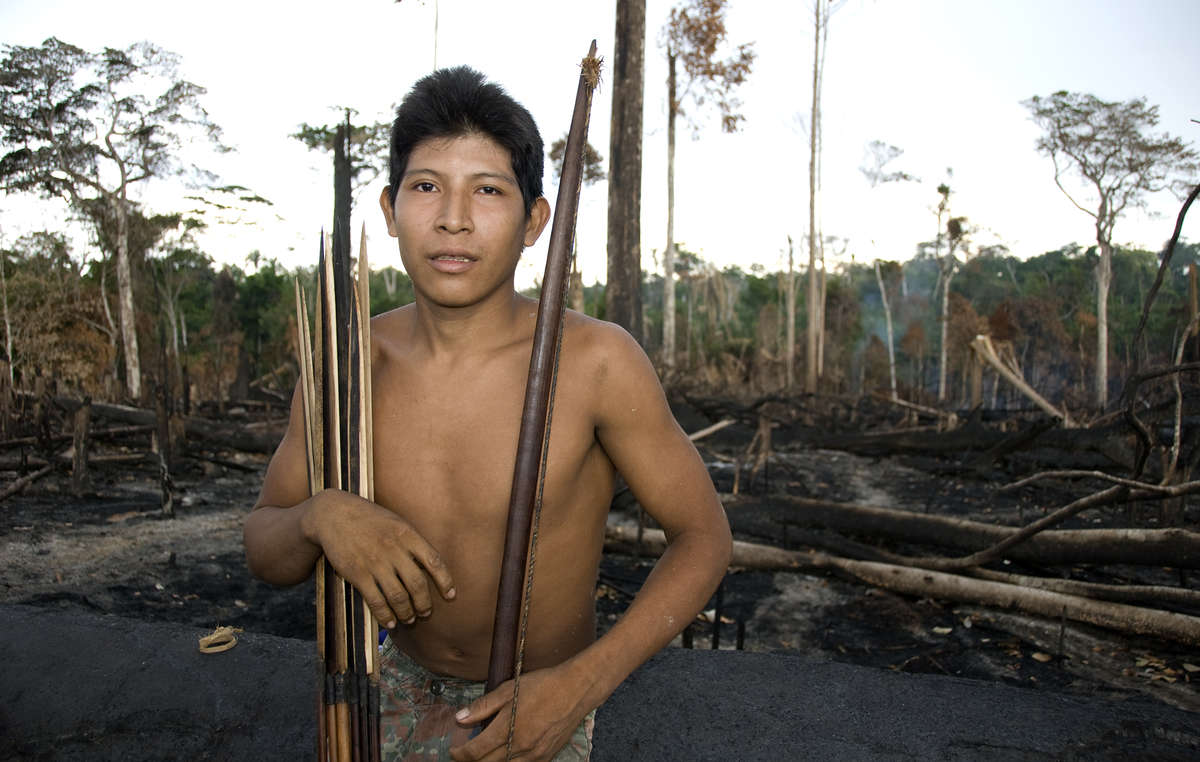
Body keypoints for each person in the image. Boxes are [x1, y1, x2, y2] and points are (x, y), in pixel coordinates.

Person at [243, 65, 731, 762]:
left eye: (488, 190)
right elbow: (264, 542)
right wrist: (323, 516)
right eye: (426, 186)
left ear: (535, 221)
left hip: (545, 694)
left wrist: (578, 687)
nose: (453, 217)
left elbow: (704, 537)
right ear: (389, 210)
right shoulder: (350, 363)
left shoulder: (593, 363)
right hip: (392, 682)